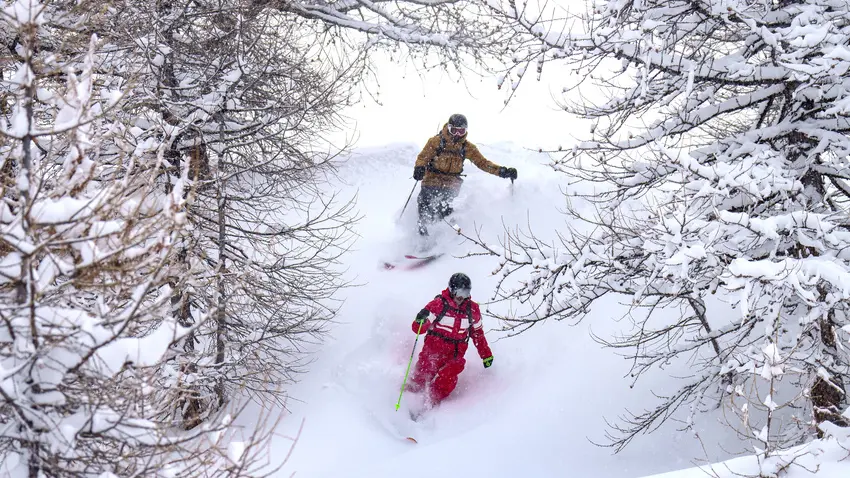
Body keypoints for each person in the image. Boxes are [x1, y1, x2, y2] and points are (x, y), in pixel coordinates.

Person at [413, 114, 518, 236]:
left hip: (451, 183)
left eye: (461, 131)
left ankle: (441, 237)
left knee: (444, 208)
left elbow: (483, 163)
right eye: (454, 131)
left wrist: (502, 171)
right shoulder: (435, 142)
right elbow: (423, 157)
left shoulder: (467, 147)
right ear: (449, 128)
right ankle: (422, 234)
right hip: (432, 179)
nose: (457, 135)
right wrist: (419, 167)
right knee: (425, 203)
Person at [406, 273, 494, 413]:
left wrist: (486, 354)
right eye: (460, 292)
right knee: (423, 374)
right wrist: (419, 321)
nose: (462, 296)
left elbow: (477, 334)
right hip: (433, 350)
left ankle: (431, 401)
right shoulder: (438, 305)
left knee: (449, 376)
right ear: (452, 290)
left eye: (467, 292)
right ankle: (408, 400)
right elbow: (417, 329)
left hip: (454, 354)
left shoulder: (472, 310)